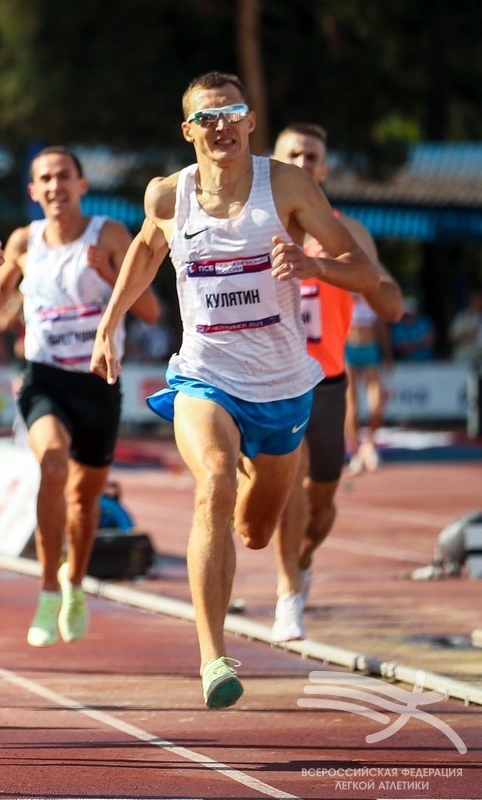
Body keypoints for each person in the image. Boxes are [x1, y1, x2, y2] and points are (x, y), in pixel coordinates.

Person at [89, 72, 379, 709]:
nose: (221, 126)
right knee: (213, 480)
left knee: (253, 529)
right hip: (205, 371)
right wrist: (109, 324)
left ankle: (260, 491)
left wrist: (312, 266)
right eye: (207, 118)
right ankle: (212, 655)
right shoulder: (169, 196)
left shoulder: (289, 186)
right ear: (188, 130)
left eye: (233, 114)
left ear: (250, 123)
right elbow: (143, 251)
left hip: (282, 385)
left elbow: (360, 267)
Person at [0, 147, 160, 647]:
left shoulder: (109, 234)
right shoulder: (24, 242)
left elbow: (151, 312)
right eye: (44, 179)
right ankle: (48, 589)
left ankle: (73, 583)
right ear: (33, 191)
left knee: (85, 501)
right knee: (50, 461)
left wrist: (111, 276)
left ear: (82, 184)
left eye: (63, 176)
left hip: (98, 381)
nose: (54, 186)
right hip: (44, 377)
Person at [268, 123, 403, 643]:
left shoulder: (349, 232)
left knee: (319, 505)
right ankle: (286, 598)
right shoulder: (252, 224)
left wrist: (324, 267)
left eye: (312, 157)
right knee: (285, 476)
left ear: (323, 170)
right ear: (275, 164)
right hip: (268, 381)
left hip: (326, 383)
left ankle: (300, 562)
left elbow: (390, 303)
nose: (303, 164)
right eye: (293, 155)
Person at [344, 291, 391, 473]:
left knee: (378, 406)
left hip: (370, 352)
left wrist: (388, 355)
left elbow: (382, 329)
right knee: (352, 408)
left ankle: (369, 444)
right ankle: (355, 452)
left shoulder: (372, 297)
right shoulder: (345, 295)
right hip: (350, 352)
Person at [389, 296, 435, 362]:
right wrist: (421, 342)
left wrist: (411, 345)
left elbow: (431, 340)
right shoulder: (398, 326)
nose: (409, 315)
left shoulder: (424, 322)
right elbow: (400, 347)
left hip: (427, 362)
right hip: (406, 363)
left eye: (411, 312)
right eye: (407, 313)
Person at [448, 288, 482, 364]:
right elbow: (452, 338)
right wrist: (469, 334)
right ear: (471, 301)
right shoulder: (462, 316)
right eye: (477, 300)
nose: (479, 303)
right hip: (465, 356)